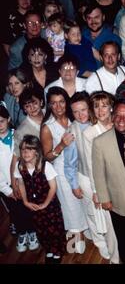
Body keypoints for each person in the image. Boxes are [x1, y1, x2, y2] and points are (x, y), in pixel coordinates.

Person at [64, 92, 119, 262]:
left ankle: (111, 242)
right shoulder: (73, 130)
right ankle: (100, 241)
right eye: (75, 112)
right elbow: (70, 162)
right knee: (93, 212)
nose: (81, 115)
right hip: (86, 177)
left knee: (105, 214)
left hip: (103, 176)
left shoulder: (99, 123)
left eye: (83, 110)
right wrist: (74, 184)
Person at [40, 87, 88, 253]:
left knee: (84, 200)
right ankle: (76, 236)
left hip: (81, 165)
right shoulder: (47, 127)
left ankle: (86, 229)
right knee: (71, 205)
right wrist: (60, 145)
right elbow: (46, 157)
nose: (58, 106)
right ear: (49, 105)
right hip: (62, 170)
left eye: (61, 102)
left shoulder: (74, 115)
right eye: (53, 103)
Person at [92, 101, 125, 264]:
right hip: (118, 199)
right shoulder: (100, 142)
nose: (121, 119)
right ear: (112, 117)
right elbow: (98, 173)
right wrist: (104, 198)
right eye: (118, 115)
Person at [15, 135, 66, 264]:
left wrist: (45, 204)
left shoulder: (46, 166)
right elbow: (21, 183)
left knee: (54, 229)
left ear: (36, 152)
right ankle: (48, 249)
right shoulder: (20, 167)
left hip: (50, 205)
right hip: (34, 206)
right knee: (41, 229)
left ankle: (57, 251)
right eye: (23, 150)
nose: (25, 153)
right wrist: (25, 202)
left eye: (29, 149)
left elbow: (53, 187)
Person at [82, 91, 119, 263]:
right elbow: (91, 166)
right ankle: (115, 257)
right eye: (96, 106)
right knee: (110, 225)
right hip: (105, 184)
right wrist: (97, 191)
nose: (100, 110)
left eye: (104, 105)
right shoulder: (89, 133)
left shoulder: (120, 124)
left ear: (112, 107)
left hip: (123, 182)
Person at [0, 105, 39, 254]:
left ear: (8, 119)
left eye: (2, 121)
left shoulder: (19, 135)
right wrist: (6, 189)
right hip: (9, 185)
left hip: (27, 182)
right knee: (16, 212)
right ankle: (22, 233)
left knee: (29, 208)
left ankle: (32, 232)